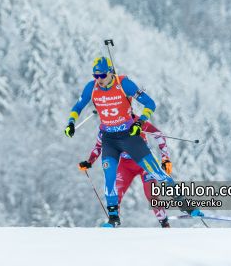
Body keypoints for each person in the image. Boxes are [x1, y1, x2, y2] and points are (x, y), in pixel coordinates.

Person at [65, 56, 175, 227]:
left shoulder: (124, 84)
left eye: (102, 75)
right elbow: (78, 108)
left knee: (155, 179)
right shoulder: (92, 87)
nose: (99, 79)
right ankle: (113, 218)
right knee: (110, 179)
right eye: (95, 76)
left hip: (130, 140)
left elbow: (150, 106)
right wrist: (71, 123)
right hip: (113, 144)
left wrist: (140, 123)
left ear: (110, 73)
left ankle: (180, 206)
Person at [79, 118, 173, 228]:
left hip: (143, 163)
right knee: (116, 191)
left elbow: (158, 135)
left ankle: (164, 223)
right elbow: (99, 145)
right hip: (126, 165)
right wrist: (89, 162)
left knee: (151, 194)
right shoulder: (106, 125)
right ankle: (113, 221)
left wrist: (165, 159)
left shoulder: (136, 121)